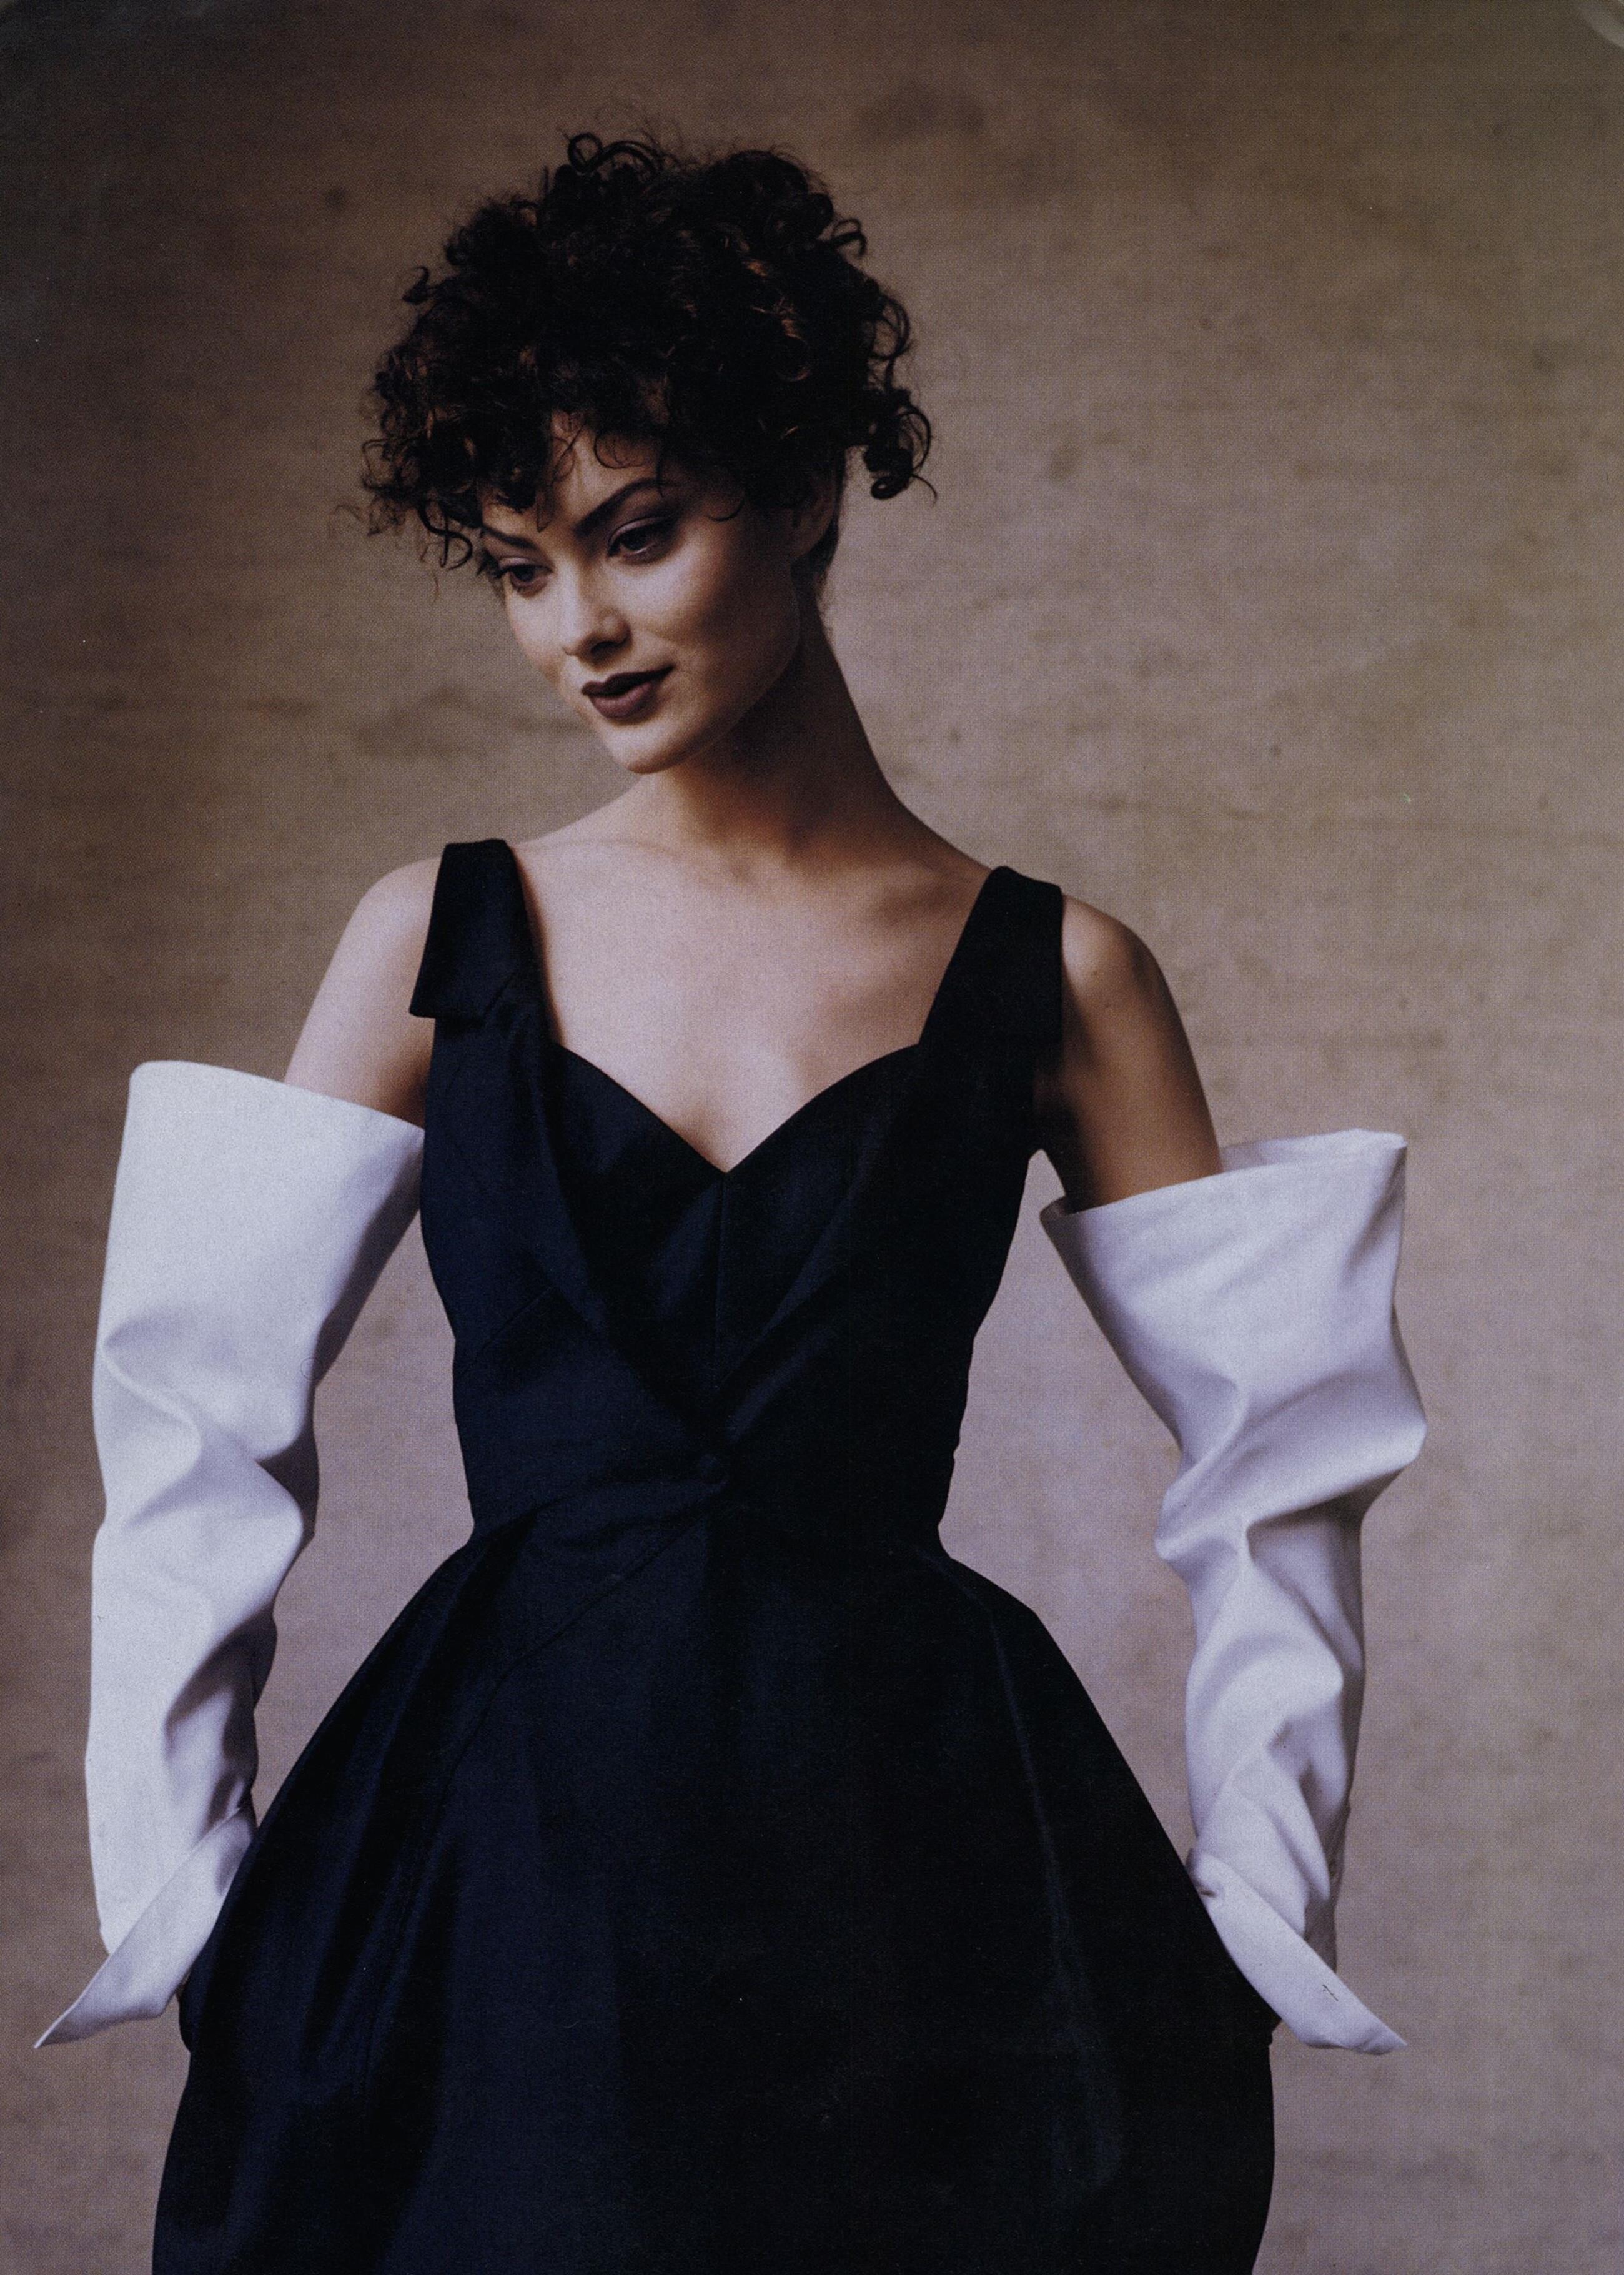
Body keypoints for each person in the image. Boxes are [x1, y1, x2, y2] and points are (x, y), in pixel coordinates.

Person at [39, 136, 1426, 2273]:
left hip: (923, 1889)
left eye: (635, 533)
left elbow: (1287, 1457)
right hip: (496, 1886)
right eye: (518, 567)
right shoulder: (433, 935)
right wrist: (183, 1891)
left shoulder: (1061, 975)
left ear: (804, 489)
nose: (577, 632)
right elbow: (188, 1417)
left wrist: (1259, 1900)